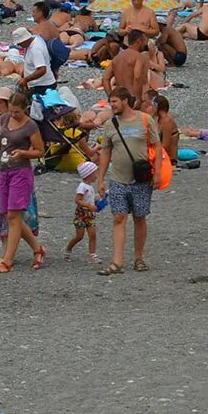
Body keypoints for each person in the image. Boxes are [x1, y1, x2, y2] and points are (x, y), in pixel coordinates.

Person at [0, 88, 45, 272]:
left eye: (17, 112)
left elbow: (40, 151)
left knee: (13, 216)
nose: (14, 115)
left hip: (20, 173)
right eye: (12, 111)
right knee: (9, 215)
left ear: (25, 109)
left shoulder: (31, 126)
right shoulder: (5, 120)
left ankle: (7, 261)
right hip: (3, 171)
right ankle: (38, 249)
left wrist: (23, 153)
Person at [95, 87, 156, 274]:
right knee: (118, 217)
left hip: (141, 179)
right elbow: (106, 151)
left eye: (114, 102)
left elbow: (157, 145)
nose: (111, 105)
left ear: (125, 101)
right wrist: (101, 179)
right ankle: (117, 262)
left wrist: (159, 173)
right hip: (118, 179)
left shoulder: (145, 120)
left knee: (139, 218)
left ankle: (139, 258)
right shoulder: (110, 124)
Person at [64, 159, 99, 263]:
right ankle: (68, 250)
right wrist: (89, 205)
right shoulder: (82, 187)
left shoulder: (90, 187)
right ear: (89, 174)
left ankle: (92, 255)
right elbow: (78, 200)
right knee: (79, 236)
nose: (97, 175)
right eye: (95, 173)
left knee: (93, 234)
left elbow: (90, 197)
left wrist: (97, 199)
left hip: (90, 214)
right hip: (81, 214)